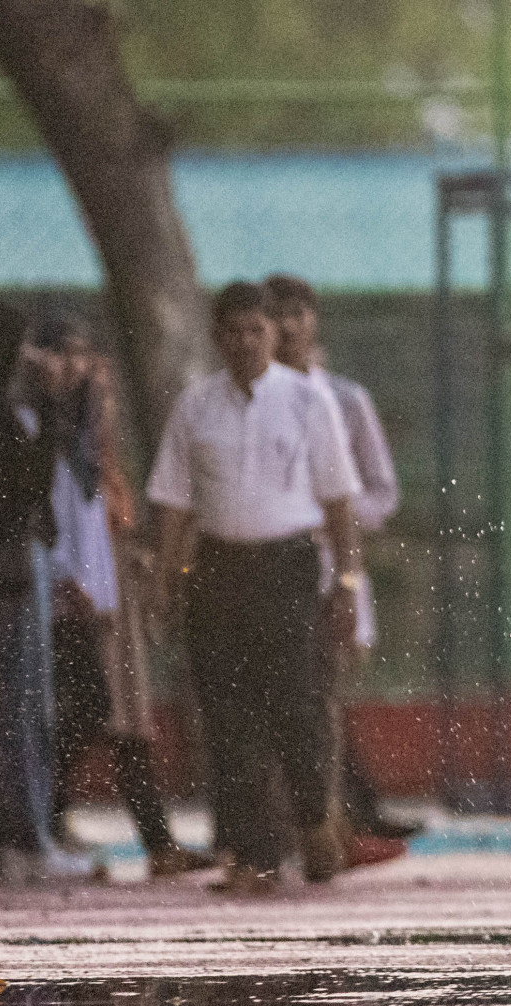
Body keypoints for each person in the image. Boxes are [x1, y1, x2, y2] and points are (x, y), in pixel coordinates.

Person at [148, 281, 363, 894]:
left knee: (295, 702)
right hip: (218, 570)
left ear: (273, 335)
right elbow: (173, 504)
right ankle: (253, 853)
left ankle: (315, 817)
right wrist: (165, 584)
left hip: (289, 567)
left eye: (256, 330)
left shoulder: (306, 402)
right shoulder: (196, 406)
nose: (245, 342)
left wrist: (347, 580)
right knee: (227, 714)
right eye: (234, 332)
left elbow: (339, 501)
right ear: (216, 339)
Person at [39, 317, 213, 878]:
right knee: (91, 712)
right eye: (66, 357)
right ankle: (44, 819)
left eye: (88, 358)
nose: (81, 370)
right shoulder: (46, 433)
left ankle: (149, 841)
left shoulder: (96, 447)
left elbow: (102, 513)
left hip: (108, 595)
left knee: (121, 719)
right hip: (67, 599)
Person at [266, 273, 421, 852]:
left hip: (333, 564)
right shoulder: (253, 401)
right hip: (269, 568)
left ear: (313, 321)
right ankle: (326, 821)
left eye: (298, 314)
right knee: (293, 698)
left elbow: (382, 491)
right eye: (276, 315)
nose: (288, 327)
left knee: (324, 693)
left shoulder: (347, 401)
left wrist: (336, 522)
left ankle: (339, 820)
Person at [0, 301, 98, 885]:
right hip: (3, 576)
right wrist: (53, 409)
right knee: (20, 710)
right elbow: (28, 486)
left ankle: (16, 840)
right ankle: (26, 839)